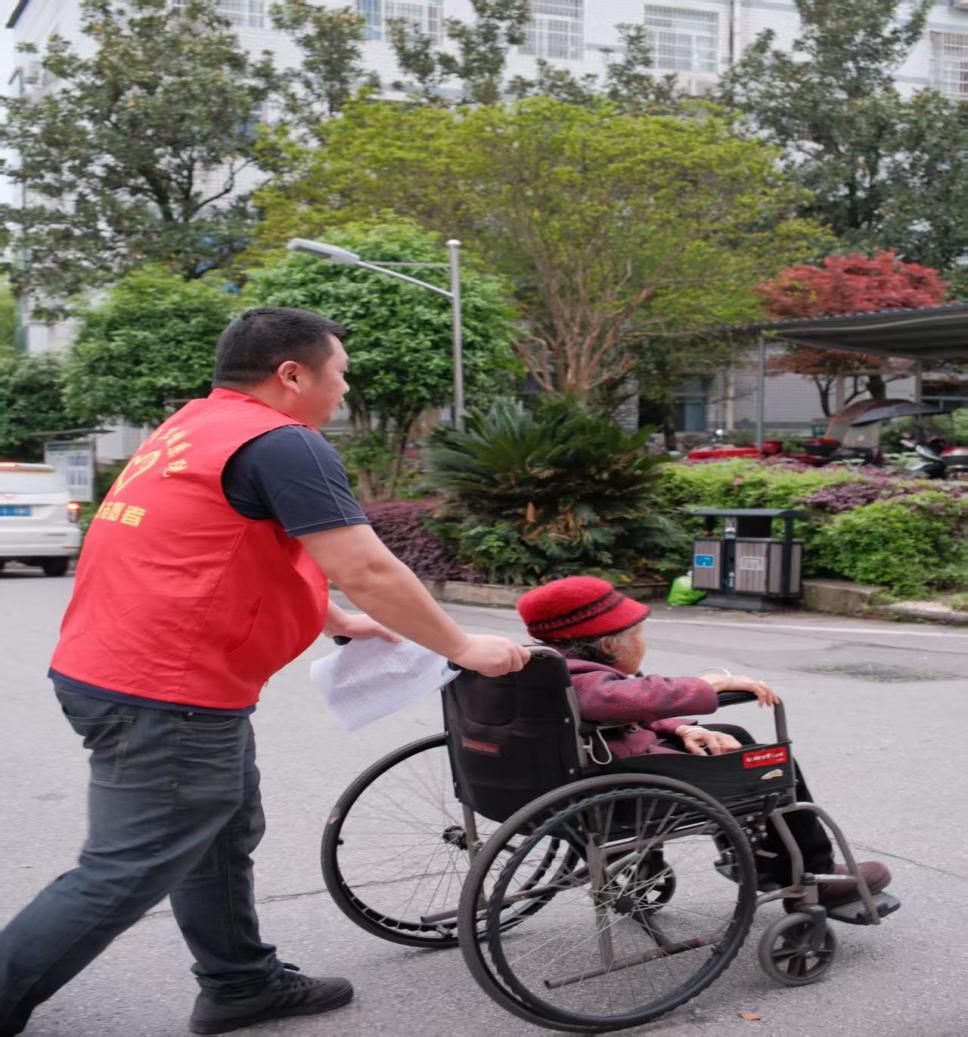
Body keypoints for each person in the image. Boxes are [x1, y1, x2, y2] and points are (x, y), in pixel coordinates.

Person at [0, 307, 530, 1037]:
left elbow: (213, 547)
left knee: (219, 831)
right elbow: (367, 567)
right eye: (340, 373)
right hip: (167, 689)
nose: (344, 389)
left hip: (118, 670)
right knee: (129, 866)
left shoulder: (193, 428)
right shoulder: (282, 442)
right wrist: (461, 645)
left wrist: (335, 618)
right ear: (292, 375)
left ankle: (241, 983)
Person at [515, 576, 892, 906]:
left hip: (569, 780)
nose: (642, 642)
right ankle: (813, 872)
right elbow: (625, 698)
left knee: (734, 738)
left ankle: (760, 857)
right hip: (621, 788)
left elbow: (614, 709)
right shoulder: (583, 681)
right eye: (638, 635)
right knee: (771, 765)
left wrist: (680, 729)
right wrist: (711, 684)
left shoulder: (544, 668)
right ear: (611, 645)